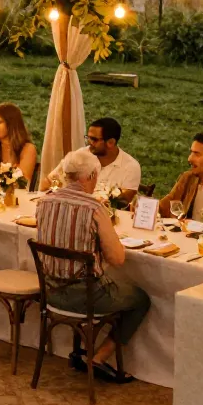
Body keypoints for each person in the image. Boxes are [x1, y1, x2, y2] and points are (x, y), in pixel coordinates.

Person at [34, 150, 151, 383]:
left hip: (49, 292)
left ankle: (85, 352)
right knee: (141, 299)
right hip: (86, 297)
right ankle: (99, 358)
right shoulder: (94, 209)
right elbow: (118, 259)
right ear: (91, 176)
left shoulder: (43, 202)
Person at [45, 117, 142, 198]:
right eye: (88, 138)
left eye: (94, 139)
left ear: (111, 142)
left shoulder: (131, 167)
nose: (89, 142)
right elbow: (49, 181)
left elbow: (123, 204)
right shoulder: (80, 155)